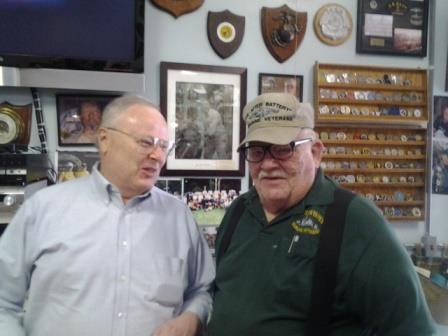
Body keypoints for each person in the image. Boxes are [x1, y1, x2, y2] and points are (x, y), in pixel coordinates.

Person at [207, 92, 436, 335]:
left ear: (315, 153)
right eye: (256, 151)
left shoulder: (356, 221)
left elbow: (414, 329)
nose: (268, 164)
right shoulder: (238, 211)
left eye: (283, 149)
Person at [0, 95, 215, 336]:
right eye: (146, 142)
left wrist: (192, 316)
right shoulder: (43, 209)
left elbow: (202, 290)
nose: (157, 156)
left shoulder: (179, 217)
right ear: (104, 140)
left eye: (163, 146)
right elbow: (3, 302)